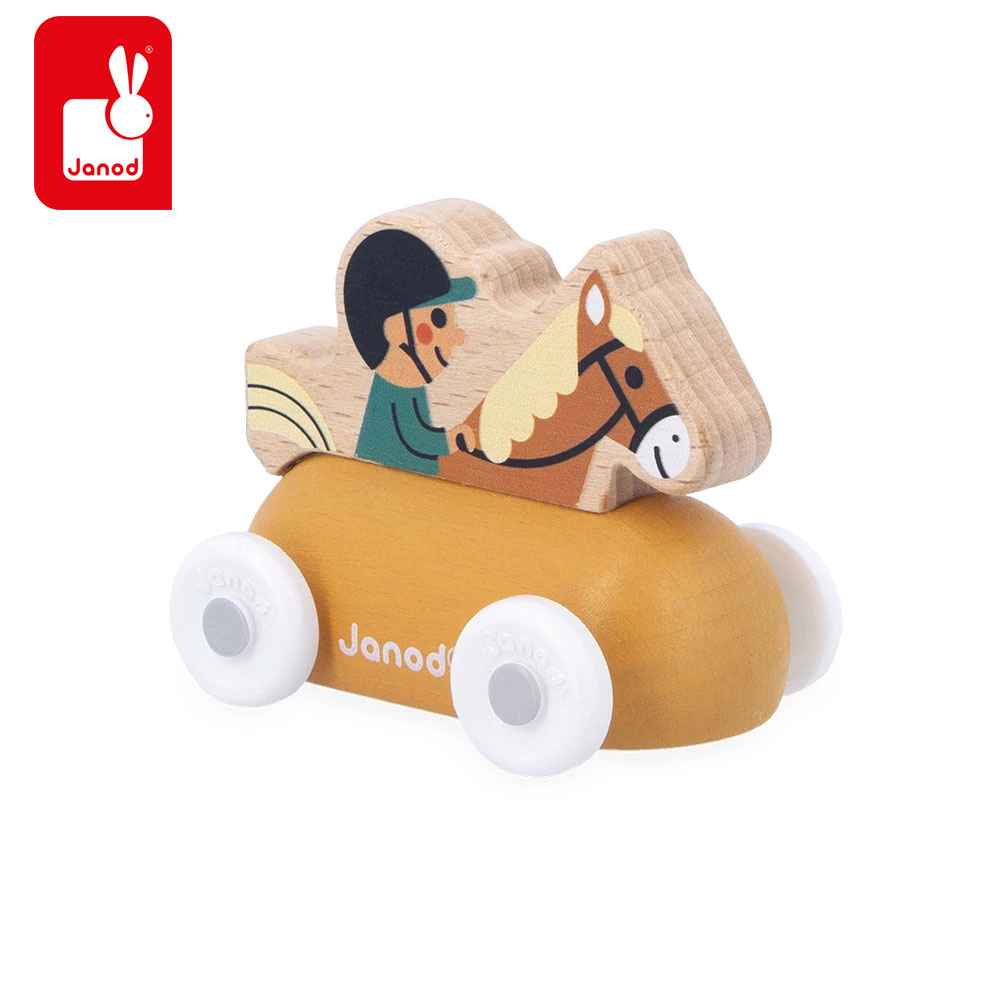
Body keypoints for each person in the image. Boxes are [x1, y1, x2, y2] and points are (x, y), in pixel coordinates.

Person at [344, 229, 478, 475]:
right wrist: (450, 441)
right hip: (385, 477)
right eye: (439, 320)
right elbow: (414, 437)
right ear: (397, 331)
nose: (458, 338)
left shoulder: (409, 382)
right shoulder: (395, 386)